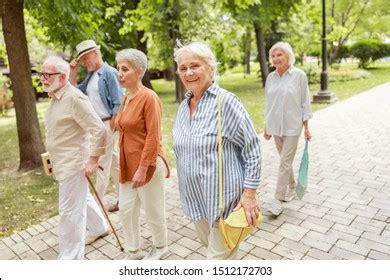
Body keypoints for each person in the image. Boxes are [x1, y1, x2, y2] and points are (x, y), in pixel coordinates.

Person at [173, 42, 262, 260]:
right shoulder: (184, 106)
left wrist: (249, 195)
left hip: (224, 204)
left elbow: (252, 150)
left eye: (195, 65)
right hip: (197, 201)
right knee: (217, 254)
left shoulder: (226, 102)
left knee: (216, 259)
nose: (189, 72)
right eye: (183, 68)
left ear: (210, 68)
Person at [41, 56, 109, 259]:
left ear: (62, 77)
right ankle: (99, 228)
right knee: (83, 199)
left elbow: (99, 130)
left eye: (47, 74)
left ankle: (70, 259)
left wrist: (93, 160)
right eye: (41, 74)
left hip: (74, 164)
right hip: (63, 162)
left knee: (70, 212)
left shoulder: (75, 99)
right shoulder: (56, 96)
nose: (42, 78)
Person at [115, 49, 170, 260]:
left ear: (139, 72)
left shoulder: (149, 97)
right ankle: (133, 250)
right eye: (119, 68)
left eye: (125, 69)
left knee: (153, 209)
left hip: (148, 164)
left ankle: (161, 247)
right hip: (127, 164)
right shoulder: (126, 97)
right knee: (126, 210)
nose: (120, 73)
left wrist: (143, 167)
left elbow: (153, 137)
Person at [70, 39, 122, 213]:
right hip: (98, 126)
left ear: (95, 54)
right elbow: (75, 91)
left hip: (107, 125)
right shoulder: (92, 75)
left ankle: (95, 211)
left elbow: (118, 103)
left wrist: (112, 128)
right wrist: (73, 71)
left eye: (85, 58)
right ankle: (122, 199)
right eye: (82, 60)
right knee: (114, 165)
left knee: (100, 166)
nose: (84, 63)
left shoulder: (109, 73)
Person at [263, 42, 313, 216]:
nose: (276, 58)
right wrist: (267, 125)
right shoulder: (271, 78)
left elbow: (305, 101)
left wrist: (306, 127)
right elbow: (269, 103)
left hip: (293, 126)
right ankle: (292, 186)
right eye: (273, 56)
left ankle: (277, 200)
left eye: (279, 55)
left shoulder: (299, 75)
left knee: (284, 162)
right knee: (285, 161)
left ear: (288, 56)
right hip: (276, 126)